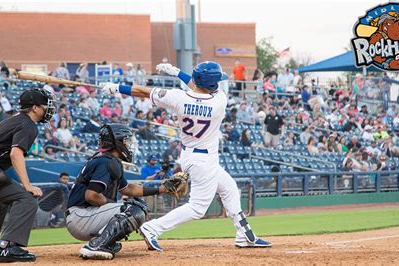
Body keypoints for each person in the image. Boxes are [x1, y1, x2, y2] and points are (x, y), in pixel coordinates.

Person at [102, 61, 270, 250]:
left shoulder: (178, 98)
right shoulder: (219, 100)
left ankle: (244, 235)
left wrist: (117, 88)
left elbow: (144, 91)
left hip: (191, 156)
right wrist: (177, 73)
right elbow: (198, 86)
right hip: (204, 160)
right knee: (198, 208)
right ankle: (152, 228)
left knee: (229, 188)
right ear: (213, 84)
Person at [0, 88, 56, 262]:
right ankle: (9, 247)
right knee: (26, 198)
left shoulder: (15, 120)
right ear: (35, 108)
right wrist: (27, 186)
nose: (48, 110)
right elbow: (16, 154)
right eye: (45, 106)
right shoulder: (28, 124)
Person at [66, 124, 171, 260]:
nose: (128, 145)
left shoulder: (106, 160)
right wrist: (107, 202)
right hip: (81, 215)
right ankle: (96, 246)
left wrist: (161, 189)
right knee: (135, 209)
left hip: (82, 216)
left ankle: (105, 243)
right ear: (116, 142)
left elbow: (129, 189)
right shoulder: (105, 162)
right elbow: (91, 196)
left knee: (135, 205)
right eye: (126, 141)